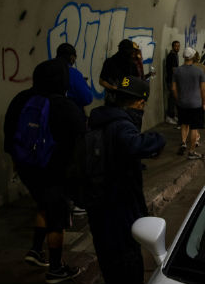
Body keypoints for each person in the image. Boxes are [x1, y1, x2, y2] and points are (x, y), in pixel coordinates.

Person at [4, 59, 86, 283]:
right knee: (57, 218)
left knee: (43, 204)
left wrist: (18, 163)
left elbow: (9, 134)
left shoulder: (20, 99)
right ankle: (56, 269)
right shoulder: (65, 106)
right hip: (55, 171)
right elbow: (82, 140)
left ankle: (35, 251)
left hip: (27, 168)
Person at [87, 76, 166, 284]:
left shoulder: (99, 120)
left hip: (98, 206)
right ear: (140, 103)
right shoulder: (122, 125)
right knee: (128, 266)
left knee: (110, 265)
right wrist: (157, 139)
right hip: (119, 208)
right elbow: (134, 145)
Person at [172, 47, 205, 159]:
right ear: (193, 57)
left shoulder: (177, 71)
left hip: (182, 103)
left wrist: (178, 99)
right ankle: (191, 152)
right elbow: (203, 89)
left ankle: (183, 142)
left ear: (183, 56)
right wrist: (204, 103)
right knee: (194, 128)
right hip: (196, 104)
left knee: (184, 124)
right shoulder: (199, 71)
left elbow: (173, 88)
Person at [55, 42, 92, 111]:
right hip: (67, 115)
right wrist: (86, 86)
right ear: (72, 57)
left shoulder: (43, 68)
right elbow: (86, 98)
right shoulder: (73, 73)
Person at [165, 40, 181, 125]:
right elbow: (174, 70)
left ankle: (172, 115)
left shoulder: (174, 55)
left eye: (178, 46)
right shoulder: (172, 56)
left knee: (173, 99)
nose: (177, 48)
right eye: (176, 46)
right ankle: (169, 117)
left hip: (172, 81)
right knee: (172, 99)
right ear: (172, 47)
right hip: (171, 81)